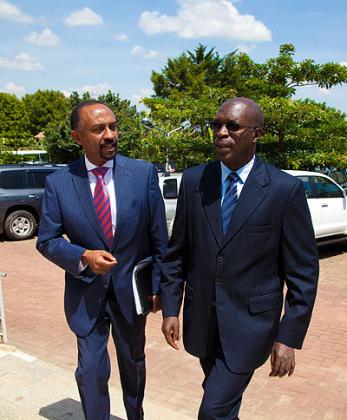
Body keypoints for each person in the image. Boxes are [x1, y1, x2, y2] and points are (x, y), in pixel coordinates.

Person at [160, 97, 319, 419]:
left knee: (213, 410)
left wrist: (288, 337)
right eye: (216, 125)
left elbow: (303, 275)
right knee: (221, 403)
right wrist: (170, 308)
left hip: (251, 327)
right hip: (203, 323)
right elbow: (177, 253)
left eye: (232, 126)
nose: (221, 133)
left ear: (256, 134)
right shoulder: (194, 182)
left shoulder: (284, 190)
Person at [37, 100, 167, 420]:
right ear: (77, 136)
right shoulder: (60, 182)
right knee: (91, 372)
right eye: (98, 129)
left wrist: (159, 286)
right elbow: (47, 240)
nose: (109, 135)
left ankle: (135, 415)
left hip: (131, 294)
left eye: (112, 126)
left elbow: (159, 238)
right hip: (86, 293)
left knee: (133, 366)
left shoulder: (142, 173)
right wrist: (82, 255)